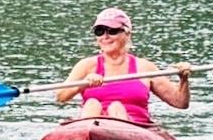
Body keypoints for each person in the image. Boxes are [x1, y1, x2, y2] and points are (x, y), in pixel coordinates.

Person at [55, 8, 190, 123]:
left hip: (134, 127)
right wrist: (83, 84)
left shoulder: (145, 68)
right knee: (92, 104)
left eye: (112, 31)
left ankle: (115, 135)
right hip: (92, 124)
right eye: (99, 31)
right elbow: (61, 97)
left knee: (116, 107)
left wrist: (183, 79)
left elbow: (180, 102)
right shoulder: (86, 66)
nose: (105, 36)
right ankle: (91, 137)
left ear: (127, 34)